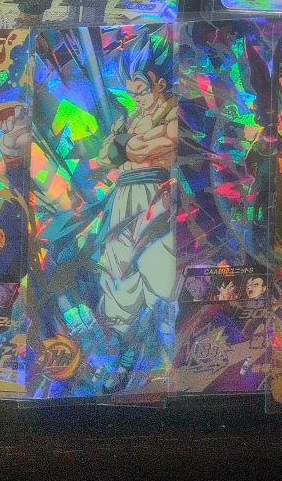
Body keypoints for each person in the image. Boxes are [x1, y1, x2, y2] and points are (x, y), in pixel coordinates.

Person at [98, 34, 178, 369]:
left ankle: (169, 347)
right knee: (119, 266)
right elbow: (106, 155)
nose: (136, 99)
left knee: (159, 262)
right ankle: (125, 347)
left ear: (160, 84)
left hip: (156, 194)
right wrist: (130, 143)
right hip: (124, 196)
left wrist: (130, 144)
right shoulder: (129, 118)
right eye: (132, 93)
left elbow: (162, 145)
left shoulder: (172, 111)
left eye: (141, 91)